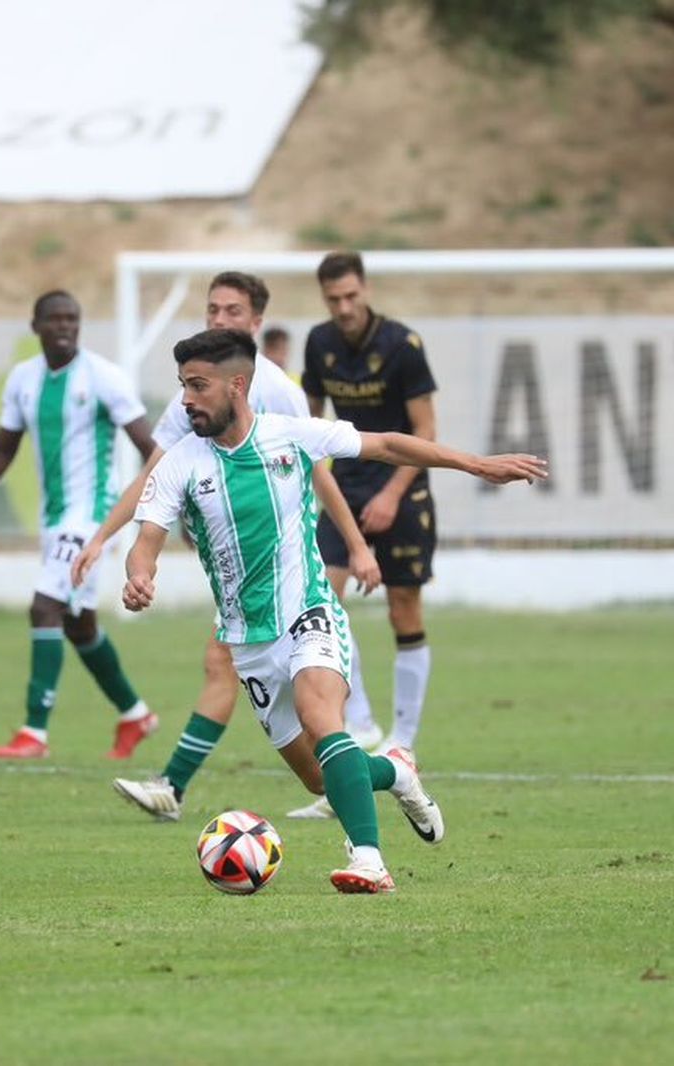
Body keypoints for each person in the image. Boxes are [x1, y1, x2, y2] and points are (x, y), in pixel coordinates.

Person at [125, 328, 544, 892]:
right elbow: (146, 539)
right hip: (248, 641)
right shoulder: (179, 464)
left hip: (309, 610)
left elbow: (390, 444)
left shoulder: (291, 436)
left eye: (198, 386)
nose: (186, 400)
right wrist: (139, 575)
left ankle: (368, 859)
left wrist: (474, 464)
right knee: (321, 780)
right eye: (183, 387)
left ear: (237, 385)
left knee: (324, 716)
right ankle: (396, 771)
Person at [72, 272, 379, 822]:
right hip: (240, 576)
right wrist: (105, 537)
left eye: (233, 311)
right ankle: (366, 772)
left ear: (256, 322)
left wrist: (356, 545)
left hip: (285, 563)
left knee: (232, 664)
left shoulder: (277, 389)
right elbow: (155, 472)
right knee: (246, 687)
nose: (219, 319)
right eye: (213, 309)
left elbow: (321, 468)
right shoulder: (195, 393)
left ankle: (174, 784)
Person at [0, 291, 158, 760]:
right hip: (55, 521)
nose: (64, 327)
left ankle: (34, 731)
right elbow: (2, 450)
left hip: (93, 517)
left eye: (72, 319)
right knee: (78, 625)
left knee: (44, 607)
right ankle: (135, 714)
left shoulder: (103, 377)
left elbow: (148, 445)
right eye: (54, 319)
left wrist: (166, 507)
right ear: (35, 326)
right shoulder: (23, 379)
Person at [289, 251, 438, 820]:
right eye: (334, 299)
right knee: (324, 603)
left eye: (351, 296)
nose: (344, 308)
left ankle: (402, 738)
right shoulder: (319, 343)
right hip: (342, 490)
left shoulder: (403, 345)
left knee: (404, 606)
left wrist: (392, 494)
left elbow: (425, 430)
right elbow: (311, 425)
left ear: (365, 289)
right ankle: (361, 728)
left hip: (401, 489)